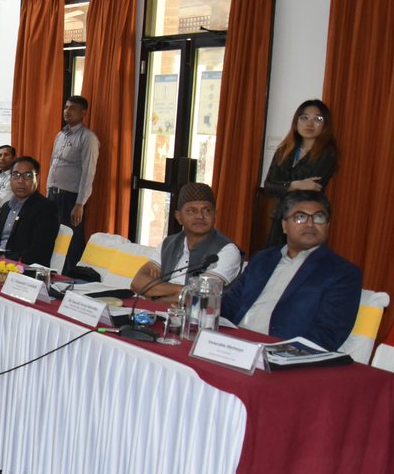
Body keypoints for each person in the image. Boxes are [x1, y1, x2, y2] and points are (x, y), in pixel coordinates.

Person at [222, 191, 360, 351]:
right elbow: (229, 304)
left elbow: (328, 334)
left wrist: (279, 353)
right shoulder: (262, 259)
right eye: (300, 217)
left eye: (319, 217)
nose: (310, 224)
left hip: (280, 354)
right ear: (284, 226)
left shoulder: (342, 272)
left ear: (327, 225)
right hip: (234, 345)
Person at [130, 183, 242, 304]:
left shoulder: (227, 251)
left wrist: (153, 296)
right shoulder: (168, 243)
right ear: (179, 217)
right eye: (191, 211)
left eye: (207, 210)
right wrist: (180, 290)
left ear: (215, 215)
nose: (200, 216)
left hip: (198, 315)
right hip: (160, 312)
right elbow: (137, 282)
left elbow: (197, 299)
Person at [261, 99, 338, 248]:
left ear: (325, 124)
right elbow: (269, 186)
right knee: (273, 257)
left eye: (317, 119)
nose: (309, 124)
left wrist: (283, 186)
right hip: (280, 216)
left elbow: (312, 187)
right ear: (296, 122)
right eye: (304, 118)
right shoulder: (284, 150)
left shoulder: (327, 154)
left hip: (306, 218)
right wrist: (295, 185)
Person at [46, 96, 99, 271]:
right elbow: (53, 164)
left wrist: (80, 203)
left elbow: (88, 172)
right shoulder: (60, 135)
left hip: (71, 198)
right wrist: (47, 193)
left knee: (71, 240)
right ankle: (52, 271)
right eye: (66, 107)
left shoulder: (88, 138)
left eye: (73, 108)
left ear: (83, 113)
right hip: (53, 195)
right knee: (53, 236)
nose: (67, 111)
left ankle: (70, 276)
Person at [0, 156, 61, 267]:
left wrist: (6, 260)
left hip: (22, 269)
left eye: (27, 176)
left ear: (37, 178)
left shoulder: (46, 208)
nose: (20, 181)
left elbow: (39, 251)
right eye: (16, 175)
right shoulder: (6, 207)